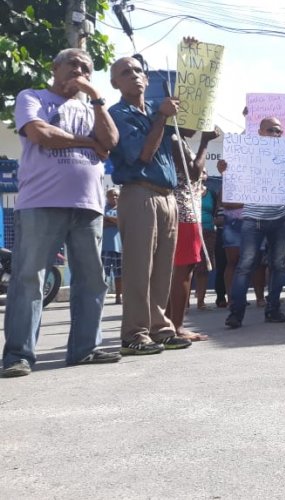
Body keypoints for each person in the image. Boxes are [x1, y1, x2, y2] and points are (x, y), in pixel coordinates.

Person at [3, 48, 121, 377]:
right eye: (73, 64)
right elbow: (41, 134)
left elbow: (110, 142)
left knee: (92, 281)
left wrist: (98, 98)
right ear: (55, 67)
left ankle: (85, 349)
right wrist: (88, 143)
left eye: (87, 68)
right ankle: (18, 355)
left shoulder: (90, 107)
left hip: (88, 205)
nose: (79, 71)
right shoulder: (33, 96)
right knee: (28, 279)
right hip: (40, 203)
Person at [109, 55, 192, 354]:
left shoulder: (157, 110)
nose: (134, 75)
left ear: (147, 78)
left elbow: (191, 130)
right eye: (125, 72)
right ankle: (133, 334)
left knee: (161, 269)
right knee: (138, 267)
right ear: (114, 83)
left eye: (138, 70)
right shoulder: (118, 114)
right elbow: (142, 155)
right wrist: (161, 117)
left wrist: (193, 63)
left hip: (167, 195)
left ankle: (159, 328)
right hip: (139, 193)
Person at [223, 117, 285, 328]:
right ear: (260, 132)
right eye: (271, 130)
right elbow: (232, 167)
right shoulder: (248, 154)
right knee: (245, 266)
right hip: (253, 219)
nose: (276, 134)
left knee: (278, 266)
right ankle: (236, 314)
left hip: (281, 218)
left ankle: (273, 310)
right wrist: (224, 168)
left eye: (279, 131)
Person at [166, 129, 218, 340]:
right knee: (183, 269)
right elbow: (193, 173)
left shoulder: (178, 139)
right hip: (184, 213)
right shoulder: (174, 138)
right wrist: (205, 141)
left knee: (180, 269)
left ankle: (170, 323)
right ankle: (176, 326)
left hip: (185, 211)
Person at [195, 171, 218, 309]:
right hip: (191, 230)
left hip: (208, 232)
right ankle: (184, 303)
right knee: (188, 267)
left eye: (204, 171)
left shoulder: (212, 194)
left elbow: (215, 211)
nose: (201, 173)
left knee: (203, 267)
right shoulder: (188, 191)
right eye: (199, 170)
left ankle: (200, 301)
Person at [102, 188, 123, 305]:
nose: (114, 197)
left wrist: (107, 218)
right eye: (111, 195)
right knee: (102, 274)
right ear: (107, 197)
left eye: (116, 195)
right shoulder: (103, 208)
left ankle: (118, 297)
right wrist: (114, 222)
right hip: (104, 247)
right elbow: (100, 224)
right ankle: (100, 297)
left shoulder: (123, 209)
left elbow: (122, 222)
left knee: (119, 274)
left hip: (119, 247)